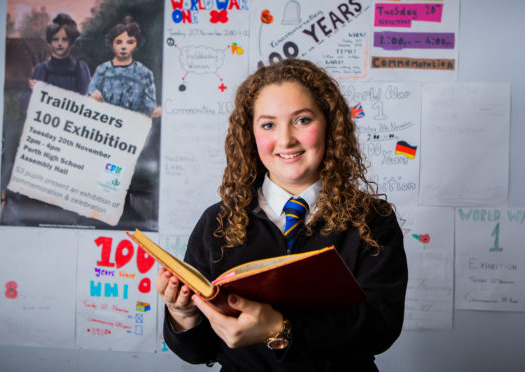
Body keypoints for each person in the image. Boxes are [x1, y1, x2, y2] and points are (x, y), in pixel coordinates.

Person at [156, 59, 407, 371]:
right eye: (268, 124)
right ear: (250, 134)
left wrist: (280, 328)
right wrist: (183, 315)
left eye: (302, 120)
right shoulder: (216, 222)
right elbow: (198, 352)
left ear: (330, 124)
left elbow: (382, 327)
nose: (286, 139)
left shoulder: (372, 219)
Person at [88, 16, 160, 118]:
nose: (124, 47)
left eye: (130, 42)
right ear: (111, 43)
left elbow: (149, 108)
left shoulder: (144, 73)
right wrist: (95, 98)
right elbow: (90, 98)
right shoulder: (103, 70)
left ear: (136, 44)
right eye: (118, 42)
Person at [19, 13, 91, 111]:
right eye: (55, 39)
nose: (60, 43)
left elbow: (87, 103)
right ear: (49, 42)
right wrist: (33, 90)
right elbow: (25, 107)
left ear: (71, 42)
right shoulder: (42, 70)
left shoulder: (79, 69)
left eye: (64, 39)